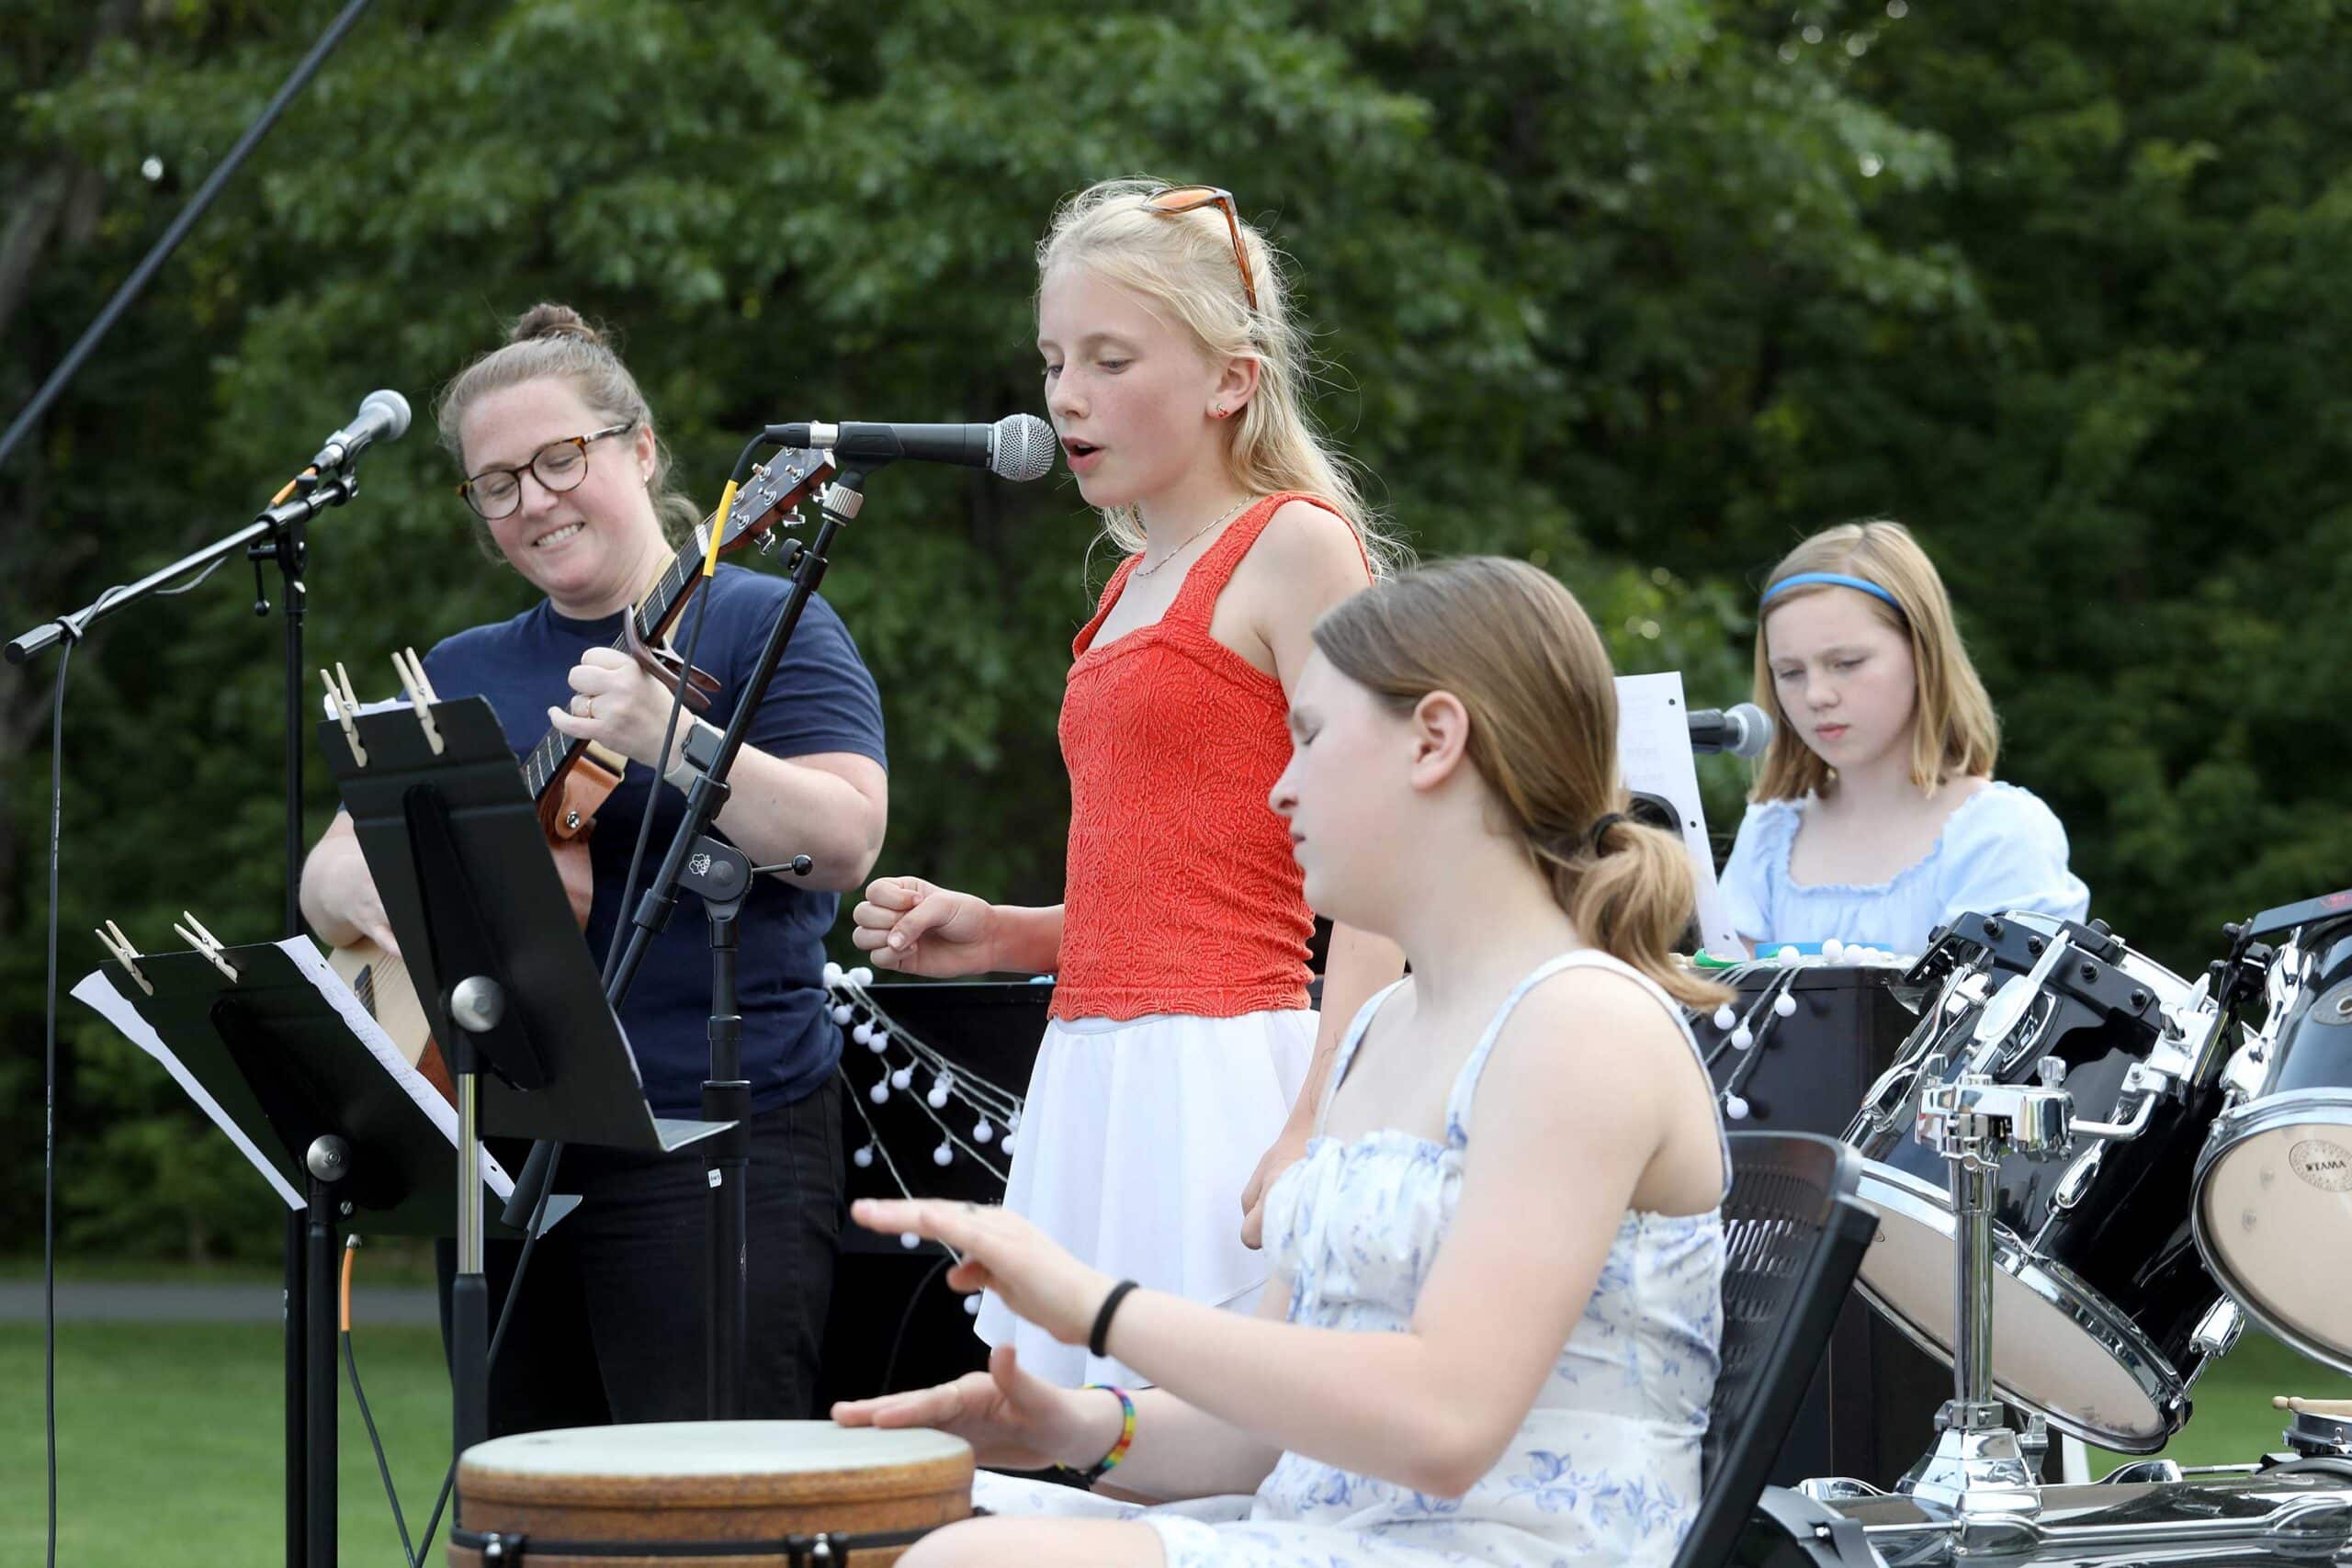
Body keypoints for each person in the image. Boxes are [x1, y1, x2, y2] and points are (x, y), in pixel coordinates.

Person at [836, 558, 1733, 1568]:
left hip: (1501, 1552)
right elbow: (1268, 1440)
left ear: (1435, 739)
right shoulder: (1378, 1023)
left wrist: (1100, 1307)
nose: (1280, 784)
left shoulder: (1580, 1026)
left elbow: (1444, 1425)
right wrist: (1075, 1428)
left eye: (1307, 738)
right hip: (1322, 1530)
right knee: (878, 1518)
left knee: (970, 1564)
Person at [850, 180, 1408, 1386]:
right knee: (1078, 1437)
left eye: (1109, 358)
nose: (1064, 395)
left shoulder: (1295, 544)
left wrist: (1323, 1116)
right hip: (1092, 1073)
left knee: (1206, 1439)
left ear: (1231, 380)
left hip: (1222, 1076)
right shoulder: (1124, 587)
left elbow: (1383, 876)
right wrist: (1004, 933)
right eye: (1054, 359)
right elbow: (1172, 882)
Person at [297, 304, 888, 1430]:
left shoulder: (761, 620)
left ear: (642, 449)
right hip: (506, 1155)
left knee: (701, 1518)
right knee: (519, 1507)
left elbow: (845, 842)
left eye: (560, 459)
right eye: (497, 483)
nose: (534, 500)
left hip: (712, 1144)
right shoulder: (465, 668)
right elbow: (327, 871)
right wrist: (367, 889)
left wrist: (676, 737)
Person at [1716, 520, 2088, 956]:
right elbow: (1723, 1008)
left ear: (1922, 653)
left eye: (1847, 663)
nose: (1816, 695)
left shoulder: (1998, 836)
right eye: (1790, 673)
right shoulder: (1769, 835)